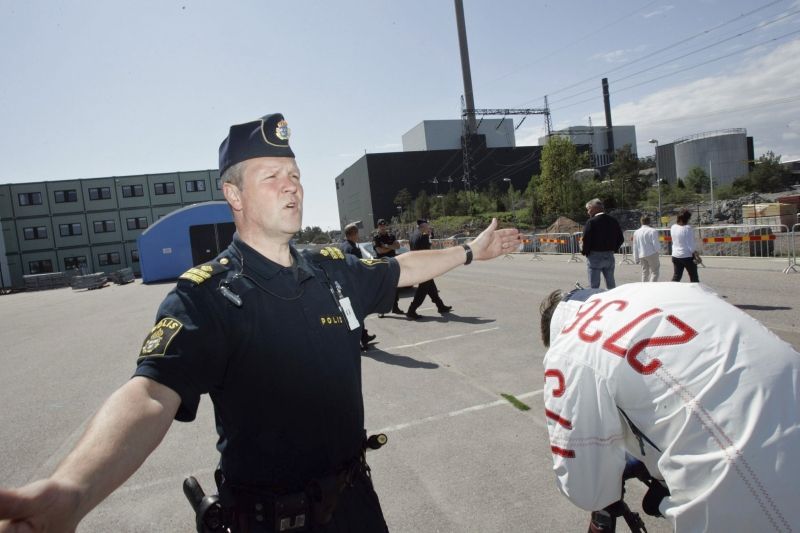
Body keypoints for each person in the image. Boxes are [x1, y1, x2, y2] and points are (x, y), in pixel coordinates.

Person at [0, 113, 521, 532]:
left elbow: (400, 268)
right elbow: (151, 395)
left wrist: (470, 253)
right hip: (273, 520)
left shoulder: (332, 268)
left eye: (294, 174)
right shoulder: (207, 295)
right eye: (271, 176)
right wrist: (75, 488)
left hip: (356, 505)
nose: (291, 186)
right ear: (235, 195)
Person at [539, 282, 800, 531]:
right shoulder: (662, 290)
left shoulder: (567, 349)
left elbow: (587, 489)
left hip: (744, 470)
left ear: (553, 332)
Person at [339, 222, 377, 351]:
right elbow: (358, 266)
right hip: (353, 284)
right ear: (353, 234)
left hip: (344, 284)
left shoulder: (342, 246)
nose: (358, 236)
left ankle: (364, 337)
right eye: (357, 234)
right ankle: (361, 342)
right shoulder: (353, 248)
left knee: (353, 314)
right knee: (356, 314)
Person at [405, 219, 452, 320]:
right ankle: (411, 310)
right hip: (424, 267)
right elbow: (427, 252)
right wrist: (428, 236)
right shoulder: (423, 236)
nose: (428, 228)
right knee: (422, 291)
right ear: (423, 226)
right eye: (427, 226)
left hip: (418, 265)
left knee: (431, 288)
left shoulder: (413, 235)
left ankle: (441, 306)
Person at [580, 198, 624, 289]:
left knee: (594, 286)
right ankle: (613, 300)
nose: (588, 212)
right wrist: (613, 249)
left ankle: (595, 301)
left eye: (588, 209)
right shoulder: (613, 221)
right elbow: (621, 239)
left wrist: (585, 251)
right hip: (609, 255)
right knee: (611, 284)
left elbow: (586, 240)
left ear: (594, 208)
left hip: (594, 256)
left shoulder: (591, 222)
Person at [373, 219, 404, 316]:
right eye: (380, 225)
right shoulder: (376, 238)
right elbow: (379, 251)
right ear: (378, 226)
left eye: (384, 225)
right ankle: (381, 311)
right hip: (382, 266)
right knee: (383, 289)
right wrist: (391, 247)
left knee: (395, 288)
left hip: (393, 264)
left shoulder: (391, 235)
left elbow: (398, 246)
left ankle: (395, 307)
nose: (382, 227)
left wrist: (386, 246)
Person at [670, 210, 699, 283]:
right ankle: (697, 293)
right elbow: (690, 244)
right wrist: (696, 254)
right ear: (687, 219)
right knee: (694, 277)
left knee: (676, 276)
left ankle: (671, 291)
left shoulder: (673, 227)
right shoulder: (688, 228)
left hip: (675, 255)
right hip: (687, 256)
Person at [631, 215, 660, 282]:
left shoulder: (636, 232)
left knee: (645, 273)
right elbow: (656, 244)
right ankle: (651, 287)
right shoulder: (653, 231)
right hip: (652, 253)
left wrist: (636, 257)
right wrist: (658, 251)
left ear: (641, 222)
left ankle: (644, 288)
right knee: (655, 272)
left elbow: (635, 245)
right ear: (649, 221)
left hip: (641, 254)